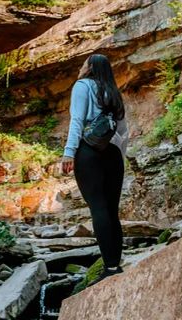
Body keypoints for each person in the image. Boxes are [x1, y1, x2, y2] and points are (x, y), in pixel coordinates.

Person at [61, 53, 129, 286]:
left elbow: (77, 121)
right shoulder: (113, 91)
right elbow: (123, 131)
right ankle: (114, 264)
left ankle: (109, 268)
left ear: (90, 68)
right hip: (112, 155)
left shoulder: (82, 86)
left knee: (98, 208)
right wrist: (119, 155)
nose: (80, 67)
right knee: (112, 211)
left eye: (83, 63)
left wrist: (69, 152)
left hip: (89, 153)